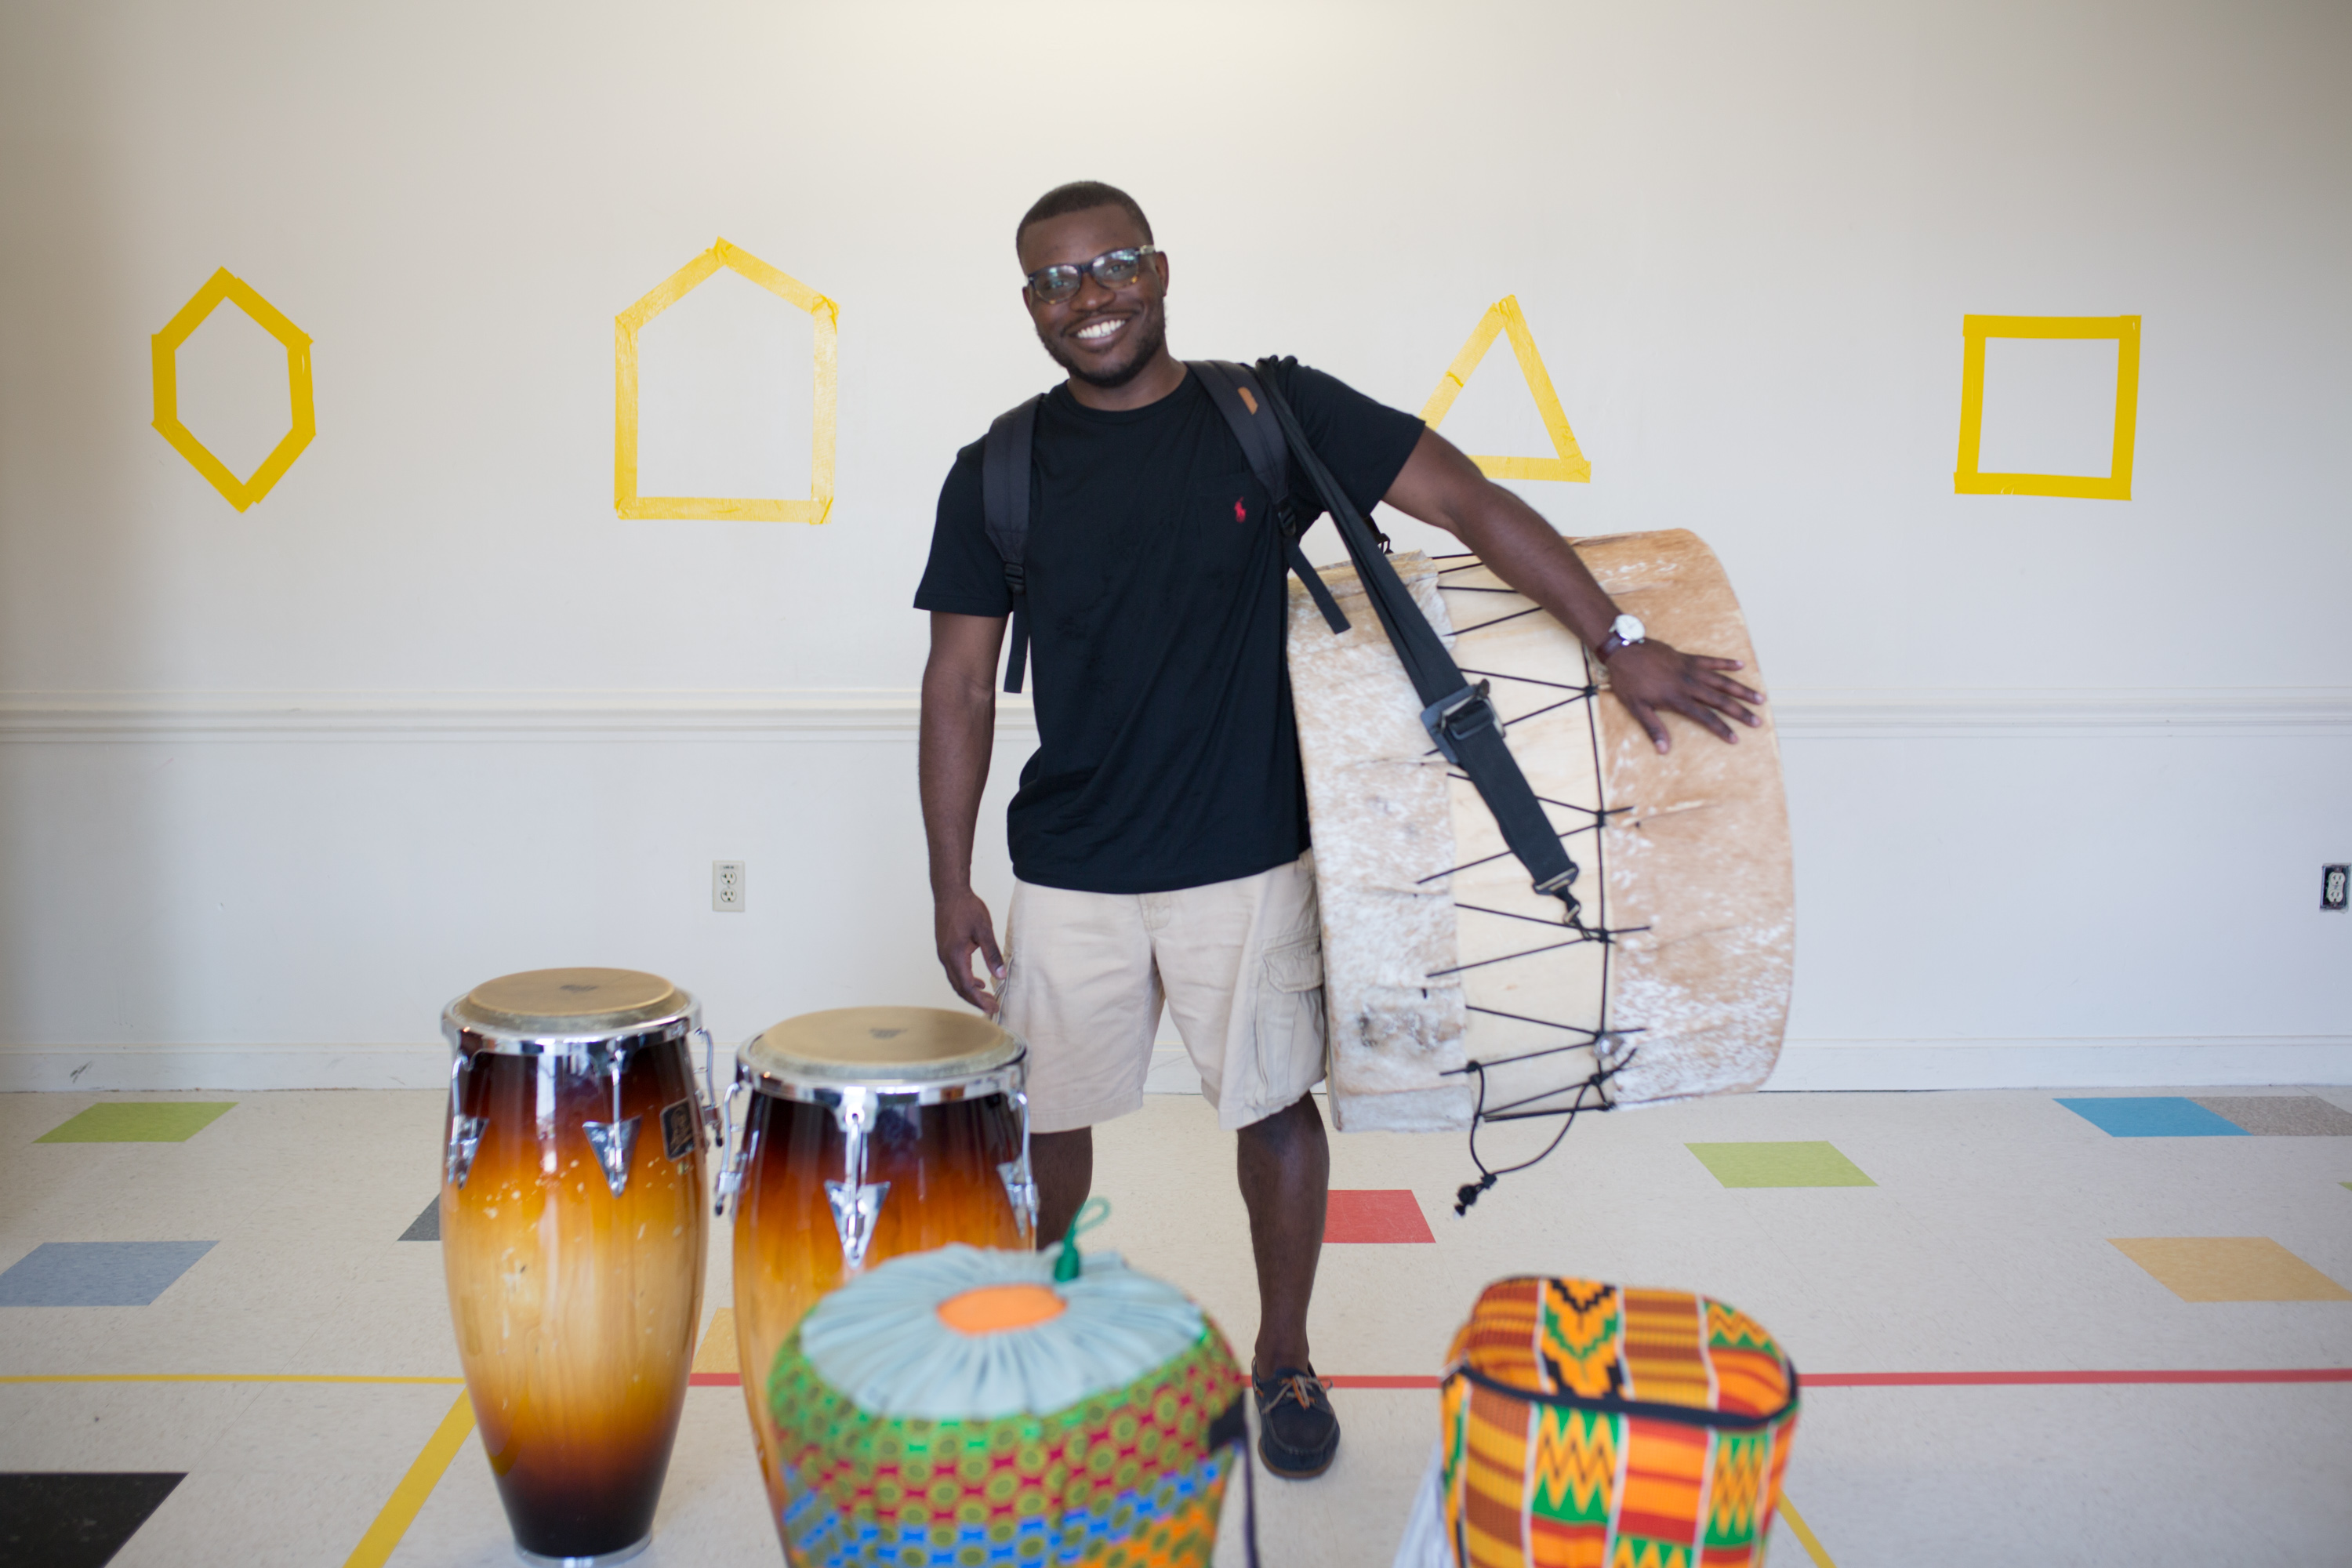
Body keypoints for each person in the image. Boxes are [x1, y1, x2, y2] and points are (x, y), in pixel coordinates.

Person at [914, 181, 1762, 1479]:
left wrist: (1618, 637)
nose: (1091, 298)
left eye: (1114, 265)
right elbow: (960, 686)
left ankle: (1286, 1358)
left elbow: (1466, 500)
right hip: (1070, 865)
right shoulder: (1001, 471)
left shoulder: (1270, 411)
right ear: (1030, 303)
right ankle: (1039, 1334)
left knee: (1274, 1112)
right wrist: (950, 883)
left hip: (1248, 850)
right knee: (1044, 1125)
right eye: (1058, 280)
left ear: (1159, 268)